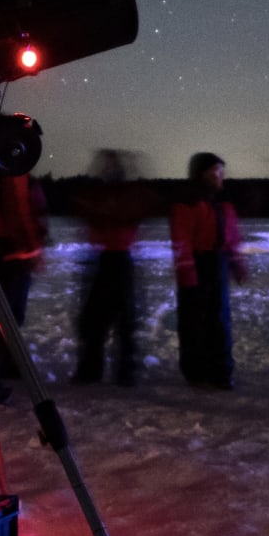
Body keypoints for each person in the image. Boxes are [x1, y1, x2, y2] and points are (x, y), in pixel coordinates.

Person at [73, 149, 152, 386]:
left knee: (120, 318)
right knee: (98, 318)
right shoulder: (103, 195)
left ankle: (120, 371)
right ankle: (95, 370)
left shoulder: (124, 196)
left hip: (116, 259)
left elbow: (132, 214)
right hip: (105, 259)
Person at [171, 152, 247, 388]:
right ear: (201, 174)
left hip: (218, 265)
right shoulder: (187, 206)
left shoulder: (224, 207)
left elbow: (232, 238)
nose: (219, 176)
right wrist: (187, 272)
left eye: (221, 171)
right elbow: (181, 240)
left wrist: (237, 263)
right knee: (195, 321)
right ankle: (196, 372)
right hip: (197, 265)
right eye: (215, 171)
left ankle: (222, 372)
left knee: (220, 319)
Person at [0, 172, 47, 381]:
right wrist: (29, 245)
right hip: (7, 246)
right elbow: (17, 204)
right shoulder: (10, 160)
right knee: (4, 315)